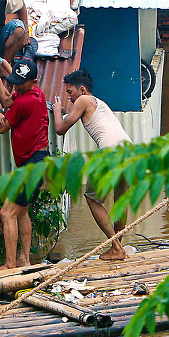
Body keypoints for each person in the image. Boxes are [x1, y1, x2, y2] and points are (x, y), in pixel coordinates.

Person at [52, 69, 132, 260]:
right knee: (120, 201)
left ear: (81, 89)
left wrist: (56, 112)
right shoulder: (100, 102)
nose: (69, 98)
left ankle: (116, 246)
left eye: (70, 92)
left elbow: (60, 129)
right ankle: (118, 246)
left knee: (92, 198)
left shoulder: (83, 100)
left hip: (109, 154)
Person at [0, 59, 49, 269]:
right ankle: (24, 259)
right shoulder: (36, 93)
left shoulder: (25, 102)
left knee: (7, 212)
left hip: (32, 164)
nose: (15, 85)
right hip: (37, 161)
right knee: (22, 211)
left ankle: (9, 265)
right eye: (13, 80)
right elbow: (8, 101)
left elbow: (2, 127)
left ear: (33, 81)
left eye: (19, 83)